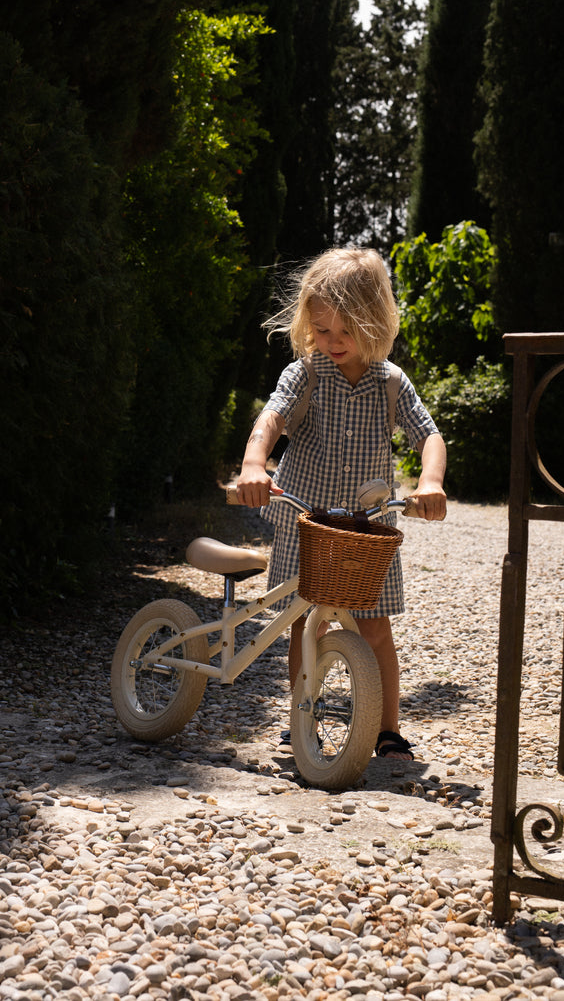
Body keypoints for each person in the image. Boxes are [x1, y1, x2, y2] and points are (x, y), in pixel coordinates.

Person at [235, 247, 446, 760]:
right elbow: (273, 419)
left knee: (374, 630)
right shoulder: (305, 374)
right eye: (321, 330)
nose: (331, 342)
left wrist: (431, 480)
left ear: (375, 325)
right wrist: (253, 465)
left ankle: (387, 730)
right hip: (305, 521)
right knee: (306, 624)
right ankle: (301, 717)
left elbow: (430, 436)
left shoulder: (391, 383)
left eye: (344, 333)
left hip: (366, 530)